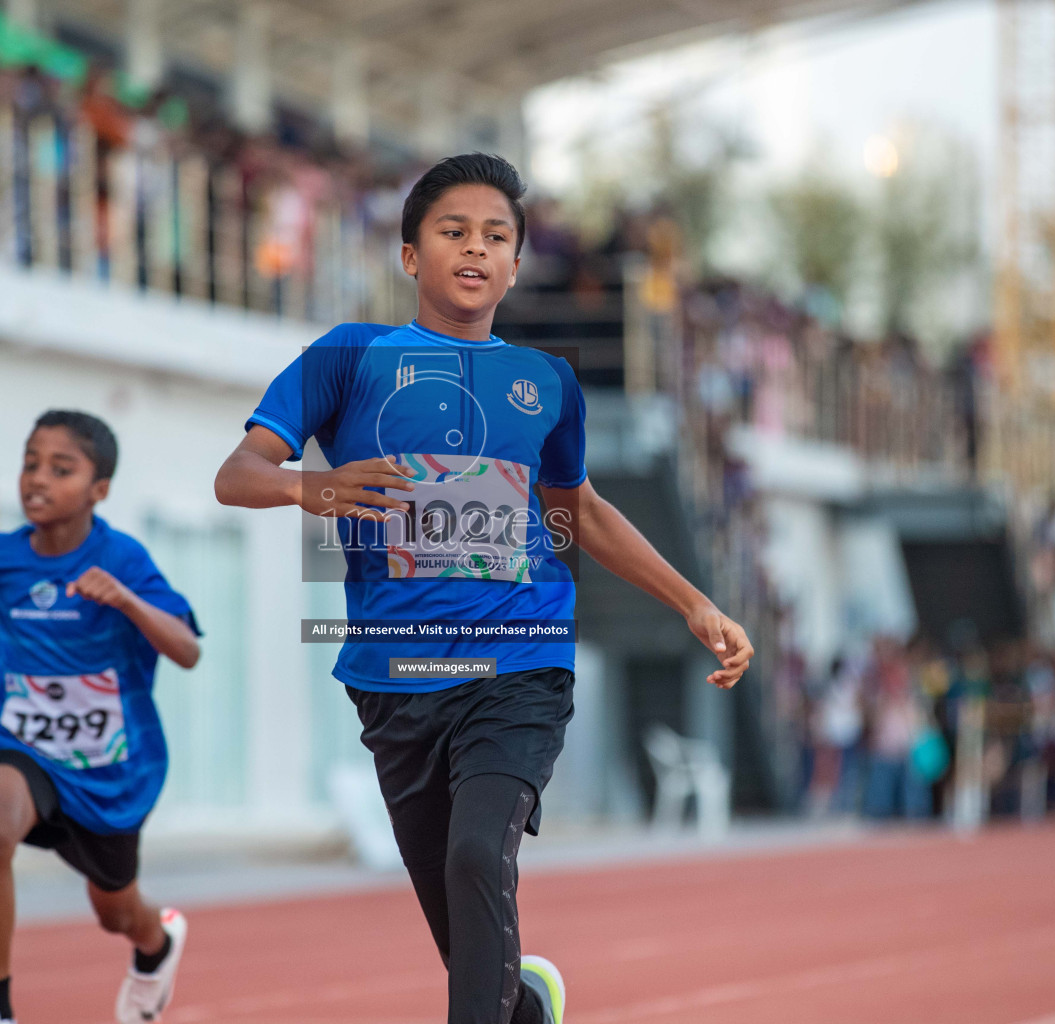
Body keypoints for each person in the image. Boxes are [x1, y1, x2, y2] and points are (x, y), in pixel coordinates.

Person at [214, 153, 754, 1024]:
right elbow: (237, 475)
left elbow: (580, 510)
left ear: (515, 262)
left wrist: (694, 602)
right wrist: (314, 487)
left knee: (476, 857)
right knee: (470, 942)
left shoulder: (548, 383)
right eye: (453, 231)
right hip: (394, 680)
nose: (475, 248)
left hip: (520, 664)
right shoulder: (348, 357)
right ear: (410, 257)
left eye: (495, 236)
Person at [0, 410, 201, 1024]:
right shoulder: (4, 553)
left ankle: (156, 942)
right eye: (31, 463)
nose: (37, 479)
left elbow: (187, 650)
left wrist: (128, 600)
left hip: (106, 764)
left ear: (98, 490)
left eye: (61, 469)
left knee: (115, 911)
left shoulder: (123, 556)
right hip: (21, 737)